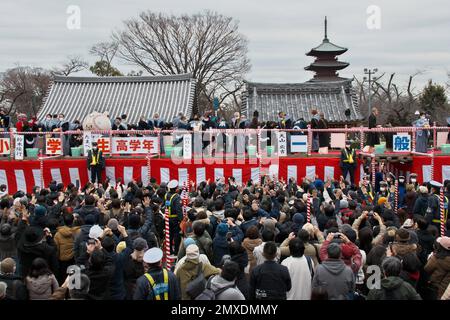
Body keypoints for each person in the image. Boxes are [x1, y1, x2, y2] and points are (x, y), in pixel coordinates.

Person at [164, 180, 183, 255]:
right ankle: (176, 251)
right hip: (175, 219)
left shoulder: (166, 195)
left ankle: (170, 250)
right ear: (176, 188)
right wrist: (181, 220)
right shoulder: (177, 197)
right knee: (176, 235)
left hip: (167, 218)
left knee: (169, 235)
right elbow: (178, 210)